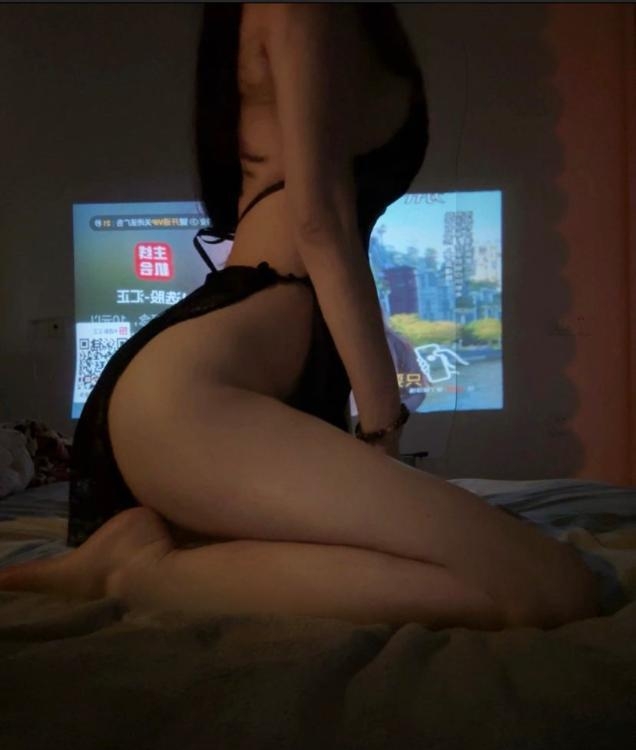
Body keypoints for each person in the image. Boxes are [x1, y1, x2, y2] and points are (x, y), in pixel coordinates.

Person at [0, 3, 601, 630]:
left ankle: (158, 556)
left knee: (529, 576)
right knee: (555, 586)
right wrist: (382, 431)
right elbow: (320, 222)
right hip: (195, 396)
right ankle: (136, 574)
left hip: (212, 386)